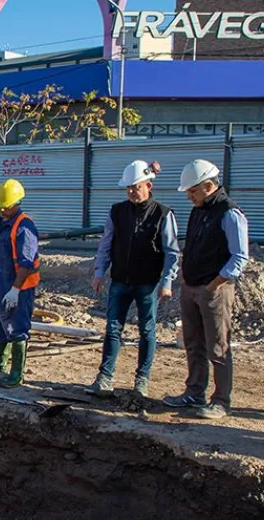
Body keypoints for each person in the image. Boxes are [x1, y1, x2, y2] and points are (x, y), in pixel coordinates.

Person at [162, 159, 249, 419]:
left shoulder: (229, 213)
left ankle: (221, 400)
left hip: (215, 288)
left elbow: (239, 256)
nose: (189, 196)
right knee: (193, 343)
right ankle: (194, 392)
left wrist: (215, 283)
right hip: (191, 286)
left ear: (208, 186)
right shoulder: (199, 210)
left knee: (218, 346)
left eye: (192, 191)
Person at [86, 160, 180, 399]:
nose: (131, 192)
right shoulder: (117, 212)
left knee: (147, 331)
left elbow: (171, 251)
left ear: (148, 185)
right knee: (112, 328)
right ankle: (105, 377)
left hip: (148, 282)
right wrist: (99, 272)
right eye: (128, 188)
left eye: (135, 187)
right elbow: (106, 244)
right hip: (120, 280)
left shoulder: (162, 214)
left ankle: (142, 380)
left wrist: (167, 281)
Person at [0, 179, 39, 388]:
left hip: (17, 287)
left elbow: (26, 262)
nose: (3, 209)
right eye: (0, 205)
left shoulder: (23, 226)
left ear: (17, 202)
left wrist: (15, 289)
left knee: (17, 327)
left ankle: (16, 373)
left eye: (7, 206)